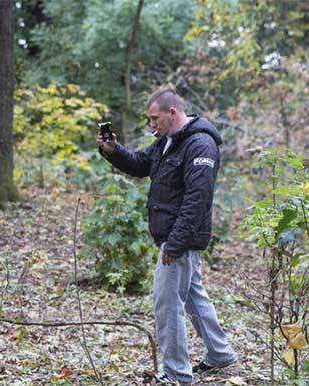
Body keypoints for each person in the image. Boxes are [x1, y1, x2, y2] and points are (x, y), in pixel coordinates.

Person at [97, 89, 237, 385]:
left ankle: (175, 373)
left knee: (167, 303)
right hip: (174, 238)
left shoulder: (200, 145)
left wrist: (174, 244)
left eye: (154, 118)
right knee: (192, 297)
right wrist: (113, 151)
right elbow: (139, 164)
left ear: (172, 112)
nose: (151, 125)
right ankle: (220, 353)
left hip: (180, 239)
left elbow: (197, 201)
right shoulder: (167, 142)